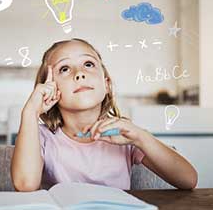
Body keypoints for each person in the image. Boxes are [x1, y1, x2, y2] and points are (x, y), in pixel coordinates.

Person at [11, 38, 198, 191]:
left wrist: (141, 137)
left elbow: (188, 180)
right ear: (49, 89)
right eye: (64, 69)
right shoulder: (42, 138)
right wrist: (30, 112)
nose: (79, 74)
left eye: (88, 64)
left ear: (107, 84)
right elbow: (25, 185)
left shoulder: (125, 136)